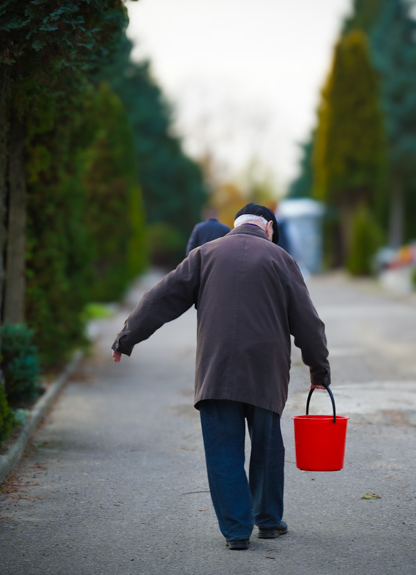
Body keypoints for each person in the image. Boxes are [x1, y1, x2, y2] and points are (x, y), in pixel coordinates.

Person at [112, 203, 331, 551]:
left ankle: (236, 531)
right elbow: (307, 322)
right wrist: (319, 370)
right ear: (269, 228)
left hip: (216, 372)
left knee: (223, 451)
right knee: (267, 446)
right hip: (265, 374)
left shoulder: (204, 254)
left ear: (235, 225)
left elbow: (161, 297)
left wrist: (127, 337)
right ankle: (269, 521)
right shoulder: (280, 259)